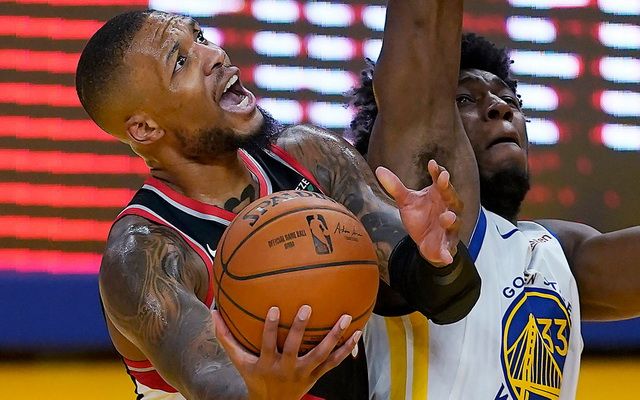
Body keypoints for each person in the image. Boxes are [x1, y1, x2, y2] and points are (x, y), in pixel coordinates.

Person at [75, 3, 481, 399]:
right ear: (145, 128)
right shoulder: (142, 255)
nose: (214, 55)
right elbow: (212, 381)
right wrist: (267, 392)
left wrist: (440, 259)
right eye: (181, 62)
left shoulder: (312, 157)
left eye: (200, 37)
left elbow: (450, 300)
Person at [349, 1, 640, 399]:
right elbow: (420, 31)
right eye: (465, 100)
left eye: (510, 101)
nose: (501, 108)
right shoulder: (402, 227)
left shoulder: (554, 250)